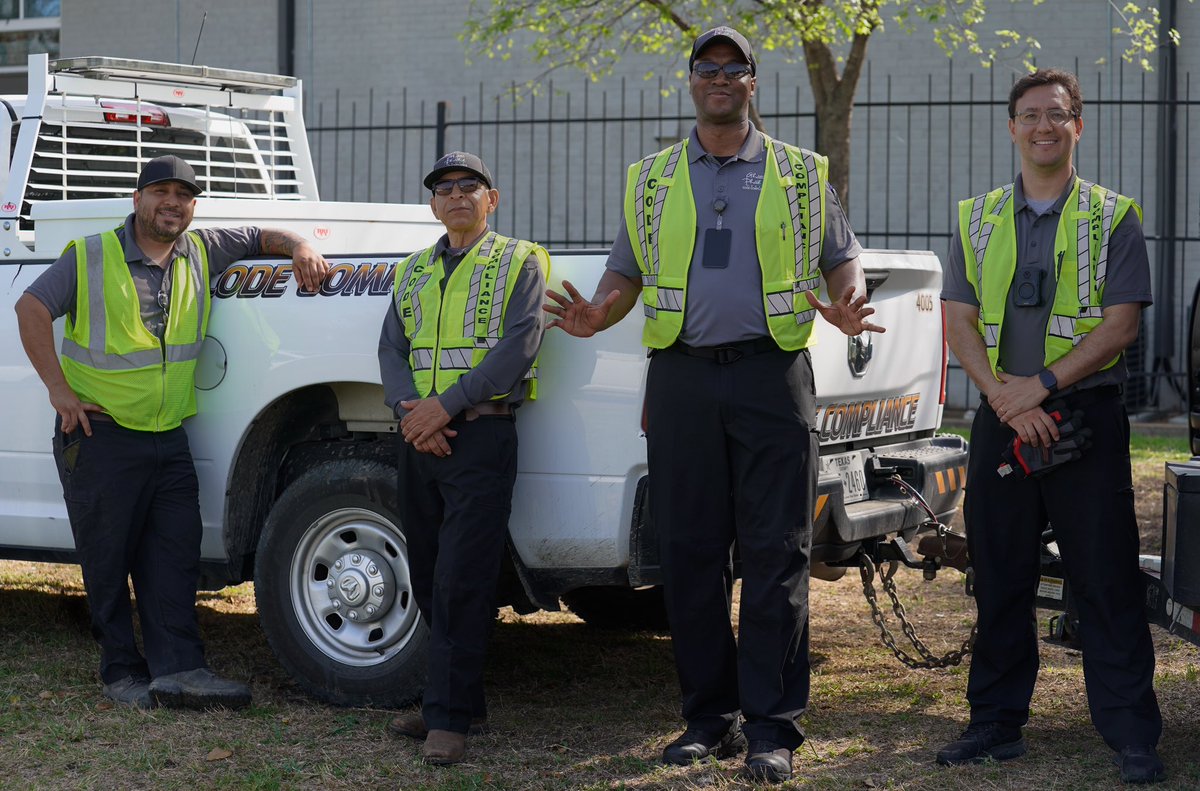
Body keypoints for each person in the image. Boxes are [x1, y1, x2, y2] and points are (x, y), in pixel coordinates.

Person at [545, 27, 882, 784]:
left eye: (735, 69)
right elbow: (626, 272)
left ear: (754, 82)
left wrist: (847, 300)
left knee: (776, 553)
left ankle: (771, 727)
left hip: (771, 376)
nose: (720, 78)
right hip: (683, 379)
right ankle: (708, 718)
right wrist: (599, 312)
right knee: (690, 555)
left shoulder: (800, 173)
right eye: (708, 68)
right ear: (692, 80)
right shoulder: (652, 178)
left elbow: (841, 255)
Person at [14, 155, 329, 711]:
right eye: (161, 191)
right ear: (137, 199)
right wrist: (58, 390)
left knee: (174, 556)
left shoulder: (202, 250)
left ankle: (181, 669)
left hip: (167, 437)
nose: (172, 203)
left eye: (183, 195)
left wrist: (301, 245)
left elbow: (262, 235)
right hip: (100, 435)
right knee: (108, 559)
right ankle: (121, 672)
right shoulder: (91, 254)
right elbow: (31, 306)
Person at [939, 69, 1164, 784]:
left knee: (1105, 578)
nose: (1044, 126)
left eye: (1057, 115)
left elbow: (1120, 325)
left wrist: (1038, 387)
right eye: (1031, 115)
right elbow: (958, 320)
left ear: (1078, 126)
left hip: (1083, 416)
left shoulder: (1113, 216)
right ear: (1012, 127)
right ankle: (994, 723)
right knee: (999, 575)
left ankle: (1132, 735)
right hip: (1002, 416)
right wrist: (1005, 399)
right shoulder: (976, 218)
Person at [378, 152, 549, 765]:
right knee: (426, 573)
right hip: (421, 438)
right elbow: (392, 347)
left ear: (490, 199)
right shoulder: (413, 270)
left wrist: (443, 407)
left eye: (468, 186)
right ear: (432, 205)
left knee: (461, 580)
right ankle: (461, 700)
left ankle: (447, 720)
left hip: (481, 436)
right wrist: (411, 412)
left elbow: (519, 345)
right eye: (444, 188)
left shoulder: (519, 260)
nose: (456, 195)